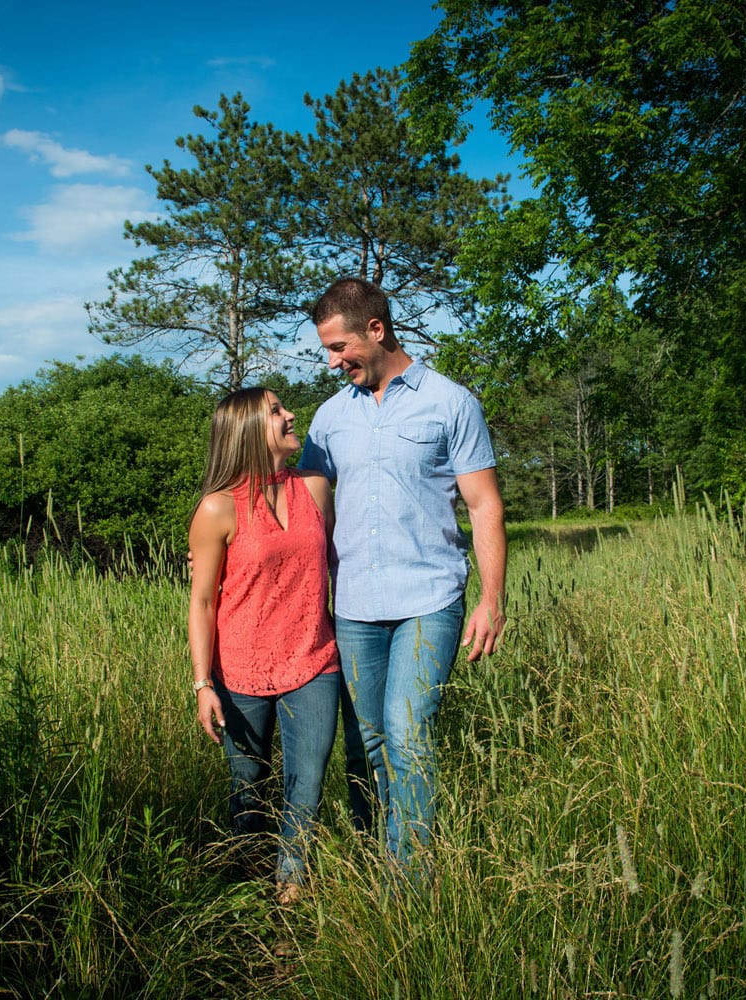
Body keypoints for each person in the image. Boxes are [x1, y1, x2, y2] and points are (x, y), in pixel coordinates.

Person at [299, 277, 507, 871]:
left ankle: (409, 884)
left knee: (408, 733)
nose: (334, 362)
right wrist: (219, 539)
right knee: (368, 745)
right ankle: (372, 862)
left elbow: (484, 504)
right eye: (327, 351)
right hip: (357, 605)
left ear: (376, 330)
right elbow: (303, 507)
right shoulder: (330, 417)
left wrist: (491, 598)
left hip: (429, 597)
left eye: (340, 348)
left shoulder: (451, 403)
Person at [187, 387, 340, 902]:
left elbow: (341, 561)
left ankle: (291, 890)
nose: (290, 414)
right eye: (276, 411)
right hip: (241, 673)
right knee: (246, 788)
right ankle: (243, 889)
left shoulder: (315, 488)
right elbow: (203, 600)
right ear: (248, 430)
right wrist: (203, 683)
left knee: (307, 785)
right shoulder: (216, 509)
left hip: (315, 660)